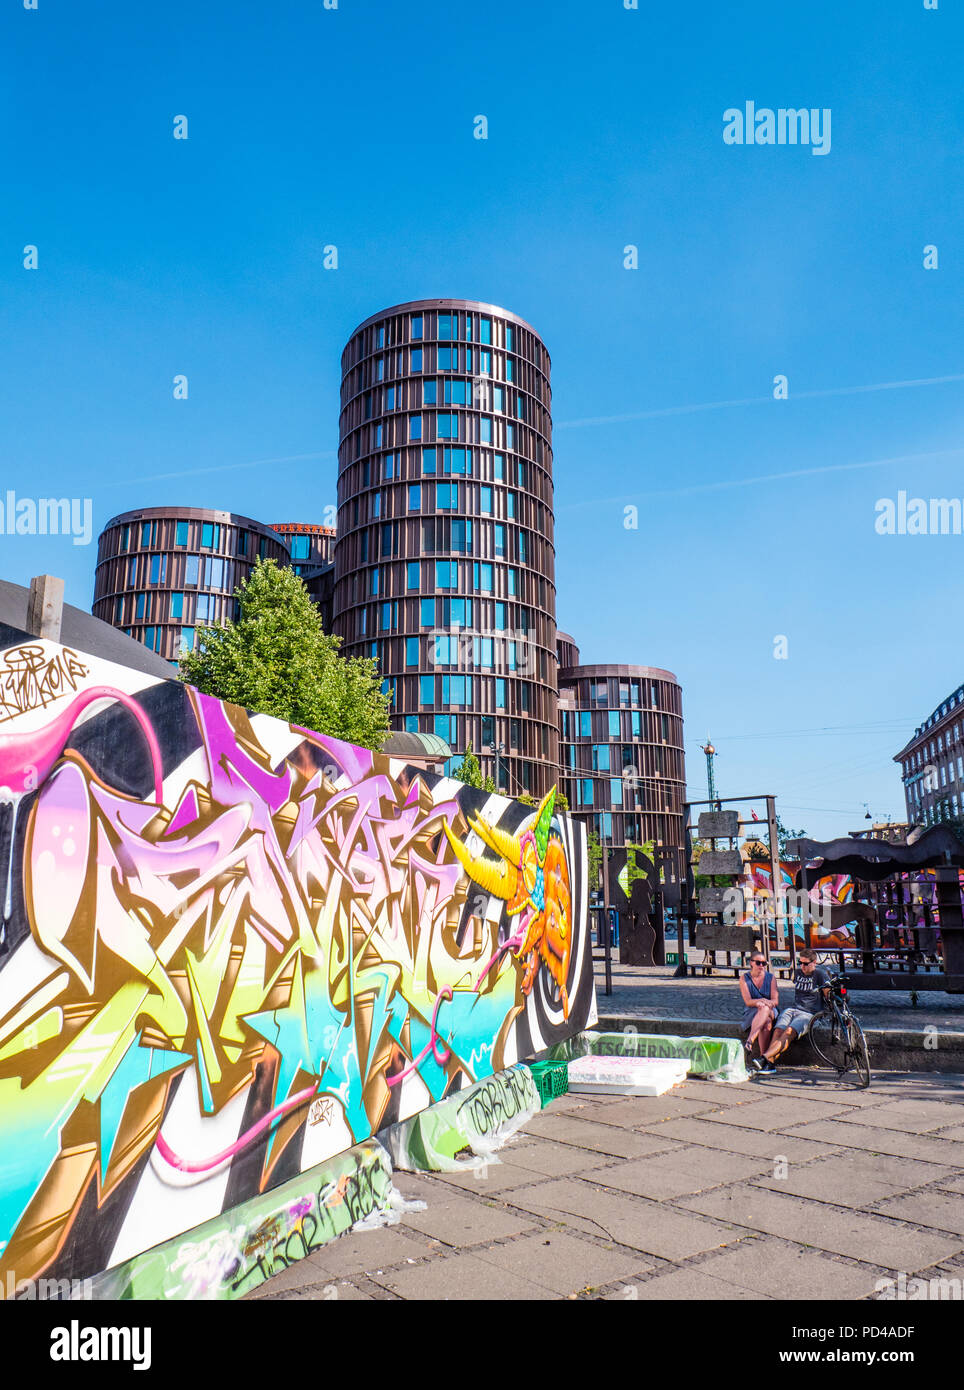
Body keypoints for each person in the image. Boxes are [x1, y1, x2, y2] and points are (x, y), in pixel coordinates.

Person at [751, 948, 830, 1075]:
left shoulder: (820, 975)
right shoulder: (798, 973)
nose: (802, 966)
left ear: (814, 962)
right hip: (793, 1009)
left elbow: (829, 995)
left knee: (789, 1032)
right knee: (778, 1030)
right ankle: (769, 1063)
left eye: (806, 964)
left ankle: (765, 1058)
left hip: (809, 1013)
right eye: (800, 962)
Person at [739, 952, 778, 1060]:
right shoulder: (744, 978)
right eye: (758, 963)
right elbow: (748, 1001)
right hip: (752, 1010)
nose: (761, 966)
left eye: (764, 963)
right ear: (751, 963)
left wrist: (766, 1003)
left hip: (770, 1009)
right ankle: (763, 1058)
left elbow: (775, 1000)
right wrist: (759, 1002)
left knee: (765, 1008)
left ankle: (749, 1041)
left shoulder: (770, 978)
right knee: (767, 1022)